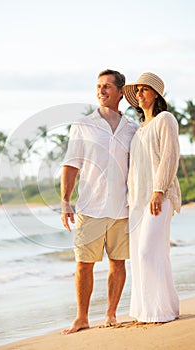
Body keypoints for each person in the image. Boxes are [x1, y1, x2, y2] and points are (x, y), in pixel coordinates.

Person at [60, 69, 138, 334]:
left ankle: (111, 314)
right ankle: (82, 317)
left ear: (120, 91)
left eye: (107, 86)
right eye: (98, 86)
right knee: (84, 264)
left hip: (122, 207)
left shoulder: (133, 128)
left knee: (118, 263)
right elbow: (71, 165)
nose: (101, 90)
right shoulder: (84, 124)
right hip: (90, 207)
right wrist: (65, 202)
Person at [123, 72, 181, 324]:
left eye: (144, 90)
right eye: (137, 91)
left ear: (156, 93)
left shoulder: (164, 119)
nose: (139, 95)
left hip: (159, 195)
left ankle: (161, 311)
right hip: (137, 201)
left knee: (149, 251)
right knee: (140, 254)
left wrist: (158, 191)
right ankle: (150, 310)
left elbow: (170, 156)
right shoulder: (138, 130)